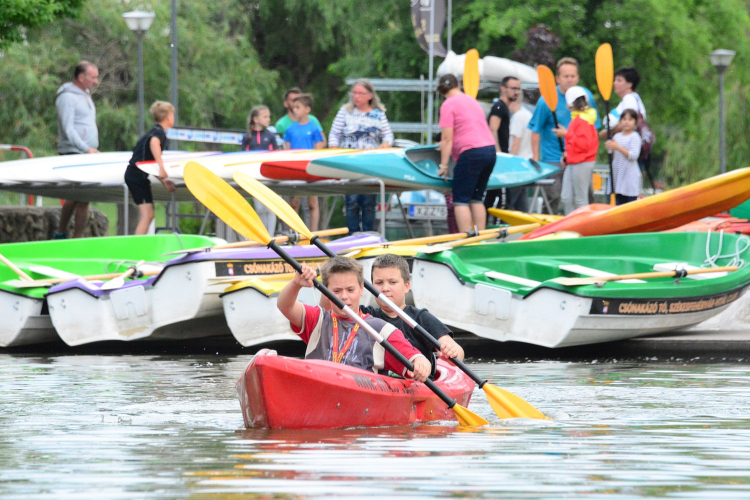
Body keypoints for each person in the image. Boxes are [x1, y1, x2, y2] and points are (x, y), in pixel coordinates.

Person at [277, 256, 431, 381]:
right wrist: (296, 284)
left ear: (361, 289)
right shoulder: (317, 319)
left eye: (350, 290)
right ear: (326, 292)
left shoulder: (381, 330)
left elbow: (416, 359)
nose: (344, 297)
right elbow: (285, 306)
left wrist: (421, 364)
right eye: (336, 291)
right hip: (317, 388)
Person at [359, 254, 464, 365]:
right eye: (379, 283)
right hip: (376, 380)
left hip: (416, 379)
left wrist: (450, 351)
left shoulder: (421, 318)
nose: (385, 288)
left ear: (406, 286)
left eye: (392, 282)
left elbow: (458, 352)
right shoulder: (365, 316)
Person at [528, 57, 600, 214]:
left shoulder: (585, 97)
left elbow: (594, 131)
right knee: (554, 197)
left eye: (573, 76)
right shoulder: (545, 100)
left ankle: (588, 228)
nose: (569, 80)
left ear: (578, 77)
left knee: (585, 195)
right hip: (552, 158)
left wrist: (588, 154)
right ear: (557, 78)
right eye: (566, 76)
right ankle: (551, 233)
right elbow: (535, 130)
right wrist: (536, 157)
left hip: (579, 158)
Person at [329, 79, 394, 234]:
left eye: (361, 93)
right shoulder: (345, 112)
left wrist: (385, 143)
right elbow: (334, 134)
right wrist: (334, 151)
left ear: (370, 95)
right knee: (351, 201)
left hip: (370, 163)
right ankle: (352, 234)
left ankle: (368, 233)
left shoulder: (378, 114)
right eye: (355, 93)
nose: (356, 96)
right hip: (349, 162)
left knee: (369, 201)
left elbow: (388, 134)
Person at [437, 74, 496, 232]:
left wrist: (443, 165)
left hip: (471, 153)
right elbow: (469, 128)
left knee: (460, 200)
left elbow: (447, 138)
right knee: (476, 198)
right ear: (458, 85)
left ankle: (466, 239)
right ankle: (482, 238)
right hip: (490, 150)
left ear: (442, 91)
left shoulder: (448, 104)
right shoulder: (471, 100)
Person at [54, 61, 100, 239]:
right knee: (76, 196)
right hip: (73, 152)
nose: (96, 81)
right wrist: (84, 148)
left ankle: (76, 238)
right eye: (93, 77)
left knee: (83, 197)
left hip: (87, 152)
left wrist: (91, 148)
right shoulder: (67, 97)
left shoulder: (85, 95)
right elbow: (68, 128)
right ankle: (62, 233)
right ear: (81, 78)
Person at [124, 101, 177, 235]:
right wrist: (161, 167)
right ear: (169, 117)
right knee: (147, 215)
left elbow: (148, 163)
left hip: (139, 176)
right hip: (136, 177)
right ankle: (137, 248)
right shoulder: (158, 133)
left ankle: (139, 245)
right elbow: (154, 143)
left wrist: (164, 181)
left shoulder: (155, 131)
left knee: (149, 214)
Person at [284, 94, 325, 232]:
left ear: (307, 109)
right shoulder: (290, 129)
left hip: (309, 168)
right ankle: (293, 233)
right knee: (294, 202)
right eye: (293, 107)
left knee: (312, 202)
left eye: (298, 107)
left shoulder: (313, 127)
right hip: (295, 169)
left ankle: (313, 234)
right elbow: (287, 148)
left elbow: (320, 145)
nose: (295, 110)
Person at [560, 87, 599, 215]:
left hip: (583, 162)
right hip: (573, 162)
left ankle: (584, 228)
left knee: (581, 199)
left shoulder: (583, 120)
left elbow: (584, 144)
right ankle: (570, 224)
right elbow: (577, 144)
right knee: (566, 198)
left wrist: (566, 134)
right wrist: (567, 155)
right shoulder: (577, 119)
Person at [485, 77, 520, 216]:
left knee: (491, 197)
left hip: (500, 157)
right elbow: (492, 129)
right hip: (498, 159)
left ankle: (486, 228)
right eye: (513, 88)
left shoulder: (504, 108)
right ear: (503, 89)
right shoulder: (499, 107)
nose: (516, 92)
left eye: (518, 89)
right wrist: (498, 153)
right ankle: (499, 229)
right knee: (505, 199)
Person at [241, 105, 277, 233]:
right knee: (259, 208)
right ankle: (263, 236)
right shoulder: (247, 138)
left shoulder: (271, 137)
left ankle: (271, 236)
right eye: (265, 117)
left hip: (268, 175)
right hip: (254, 177)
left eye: (269, 117)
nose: (269, 119)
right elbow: (243, 157)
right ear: (256, 119)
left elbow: (275, 156)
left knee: (271, 207)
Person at [605, 109, 642, 205]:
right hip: (617, 175)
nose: (626, 122)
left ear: (635, 122)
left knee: (629, 205)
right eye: (624, 119)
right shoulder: (616, 136)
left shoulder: (635, 137)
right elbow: (613, 156)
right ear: (620, 121)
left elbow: (633, 155)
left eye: (630, 119)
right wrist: (610, 148)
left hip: (629, 177)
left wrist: (617, 147)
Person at [507, 99, 534, 213]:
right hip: (528, 162)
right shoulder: (528, 114)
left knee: (510, 200)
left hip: (517, 164)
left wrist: (508, 162)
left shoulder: (517, 117)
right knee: (521, 199)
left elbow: (515, 142)